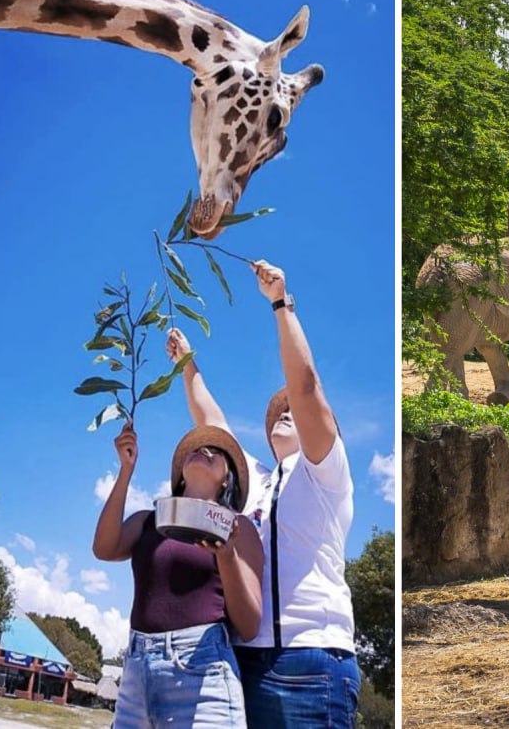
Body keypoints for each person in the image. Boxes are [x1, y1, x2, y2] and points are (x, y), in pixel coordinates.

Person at [165, 259, 360, 726]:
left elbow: (306, 385)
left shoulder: (325, 471)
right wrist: (187, 364)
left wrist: (280, 303)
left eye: (295, 410)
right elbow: (211, 422)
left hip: (311, 663)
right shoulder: (254, 482)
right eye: (277, 413)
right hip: (239, 661)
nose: (286, 413)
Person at [93, 422, 262, 728]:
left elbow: (249, 625)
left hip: (203, 671)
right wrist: (126, 470)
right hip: (135, 671)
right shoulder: (149, 520)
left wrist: (226, 555)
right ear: (180, 476)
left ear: (227, 481)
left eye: (216, 451)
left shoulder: (240, 528)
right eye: (196, 448)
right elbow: (104, 548)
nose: (203, 449)